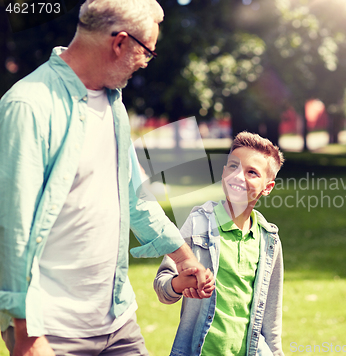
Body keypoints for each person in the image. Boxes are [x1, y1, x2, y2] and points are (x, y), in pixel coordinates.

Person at [0, 0, 214, 355]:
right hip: (52, 333)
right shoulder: (29, 106)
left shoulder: (113, 103)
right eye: (147, 51)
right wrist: (27, 333)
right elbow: (12, 229)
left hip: (117, 322)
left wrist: (184, 258)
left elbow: (135, 196)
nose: (146, 61)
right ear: (120, 43)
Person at [154, 132, 286, 356]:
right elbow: (162, 287)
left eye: (251, 172)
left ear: (267, 187)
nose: (238, 176)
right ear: (224, 171)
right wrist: (179, 283)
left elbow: (271, 320)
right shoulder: (197, 224)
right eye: (233, 166)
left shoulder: (268, 240)